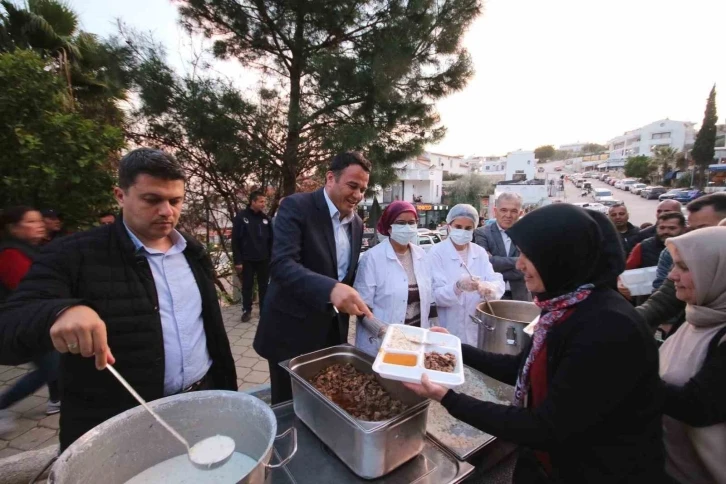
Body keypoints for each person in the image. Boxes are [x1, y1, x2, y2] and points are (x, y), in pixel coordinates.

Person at [404, 204, 665, 483]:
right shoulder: (563, 308)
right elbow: (519, 366)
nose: (519, 264)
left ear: (561, 258)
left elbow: (546, 426)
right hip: (548, 463)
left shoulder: (607, 327)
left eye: (529, 255)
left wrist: (448, 398)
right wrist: (453, 348)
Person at [0, 148, 237, 451]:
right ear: (120, 195)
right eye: (152, 200)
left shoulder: (192, 252)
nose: (167, 211)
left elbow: (210, 331)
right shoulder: (73, 254)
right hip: (118, 425)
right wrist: (60, 311)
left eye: (175, 201)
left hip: (201, 404)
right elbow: (8, 327)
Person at [254, 152, 373, 404]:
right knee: (289, 407)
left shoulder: (357, 224)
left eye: (363, 189)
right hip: (290, 336)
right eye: (352, 186)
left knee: (324, 404)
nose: (358, 195)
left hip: (331, 336)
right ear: (331, 178)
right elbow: (282, 265)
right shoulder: (297, 207)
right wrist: (331, 289)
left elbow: (344, 273)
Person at [659, 227, 726, 483]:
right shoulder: (696, 316)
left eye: (685, 268)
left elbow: (698, 407)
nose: (672, 275)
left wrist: (628, 372)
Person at [0, 206, 61, 435]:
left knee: (53, 365)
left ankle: (57, 398)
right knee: (50, 367)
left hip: (38, 320)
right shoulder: (10, 254)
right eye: (31, 222)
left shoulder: (31, 249)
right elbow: (31, 289)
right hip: (27, 323)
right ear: (13, 227)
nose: (39, 225)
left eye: (39, 220)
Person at [636, 193, 726, 333]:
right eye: (692, 229)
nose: (693, 237)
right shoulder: (679, 253)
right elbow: (662, 302)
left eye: (703, 229)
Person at [353, 201, 433, 356]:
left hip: (414, 341)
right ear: (389, 227)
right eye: (401, 223)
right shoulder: (372, 258)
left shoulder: (422, 255)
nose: (407, 227)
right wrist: (382, 331)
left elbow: (430, 298)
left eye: (412, 223)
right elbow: (361, 307)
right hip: (379, 342)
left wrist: (433, 327)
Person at [427, 204, 505, 346]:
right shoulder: (436, 252)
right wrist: (457, 287)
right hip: (448, 324)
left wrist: (490, 288)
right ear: (449, 226)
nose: (463, 231)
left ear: (474, 228)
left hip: (475, 326)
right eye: (458, 226)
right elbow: (435, 296)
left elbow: (495, 280)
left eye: (468, 228)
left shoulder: (479, 252)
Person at [474, 192, 530, 301]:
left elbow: (531, 267)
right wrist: (520, 261)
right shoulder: (482, 233)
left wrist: (497, 265)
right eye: (503, 210)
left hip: (521, 298)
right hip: (492, 297)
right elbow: (487, 264)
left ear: (520, 213)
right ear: (495, 211)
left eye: (513, 211)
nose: (508, 215)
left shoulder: (528, 234)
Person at [232, 191, 273, 323]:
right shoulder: (241, 218)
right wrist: (238, 261)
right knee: (247, 286)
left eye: (264, 201)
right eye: (261, 201)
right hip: (247, 259)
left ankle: (264, 311)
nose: (264, 204)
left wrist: (272, 258)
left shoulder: (266, 219)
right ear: (253, 202)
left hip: (264, 259)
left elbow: (271, 241)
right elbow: (235, 241)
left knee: (264, 287)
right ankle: (246, 311)